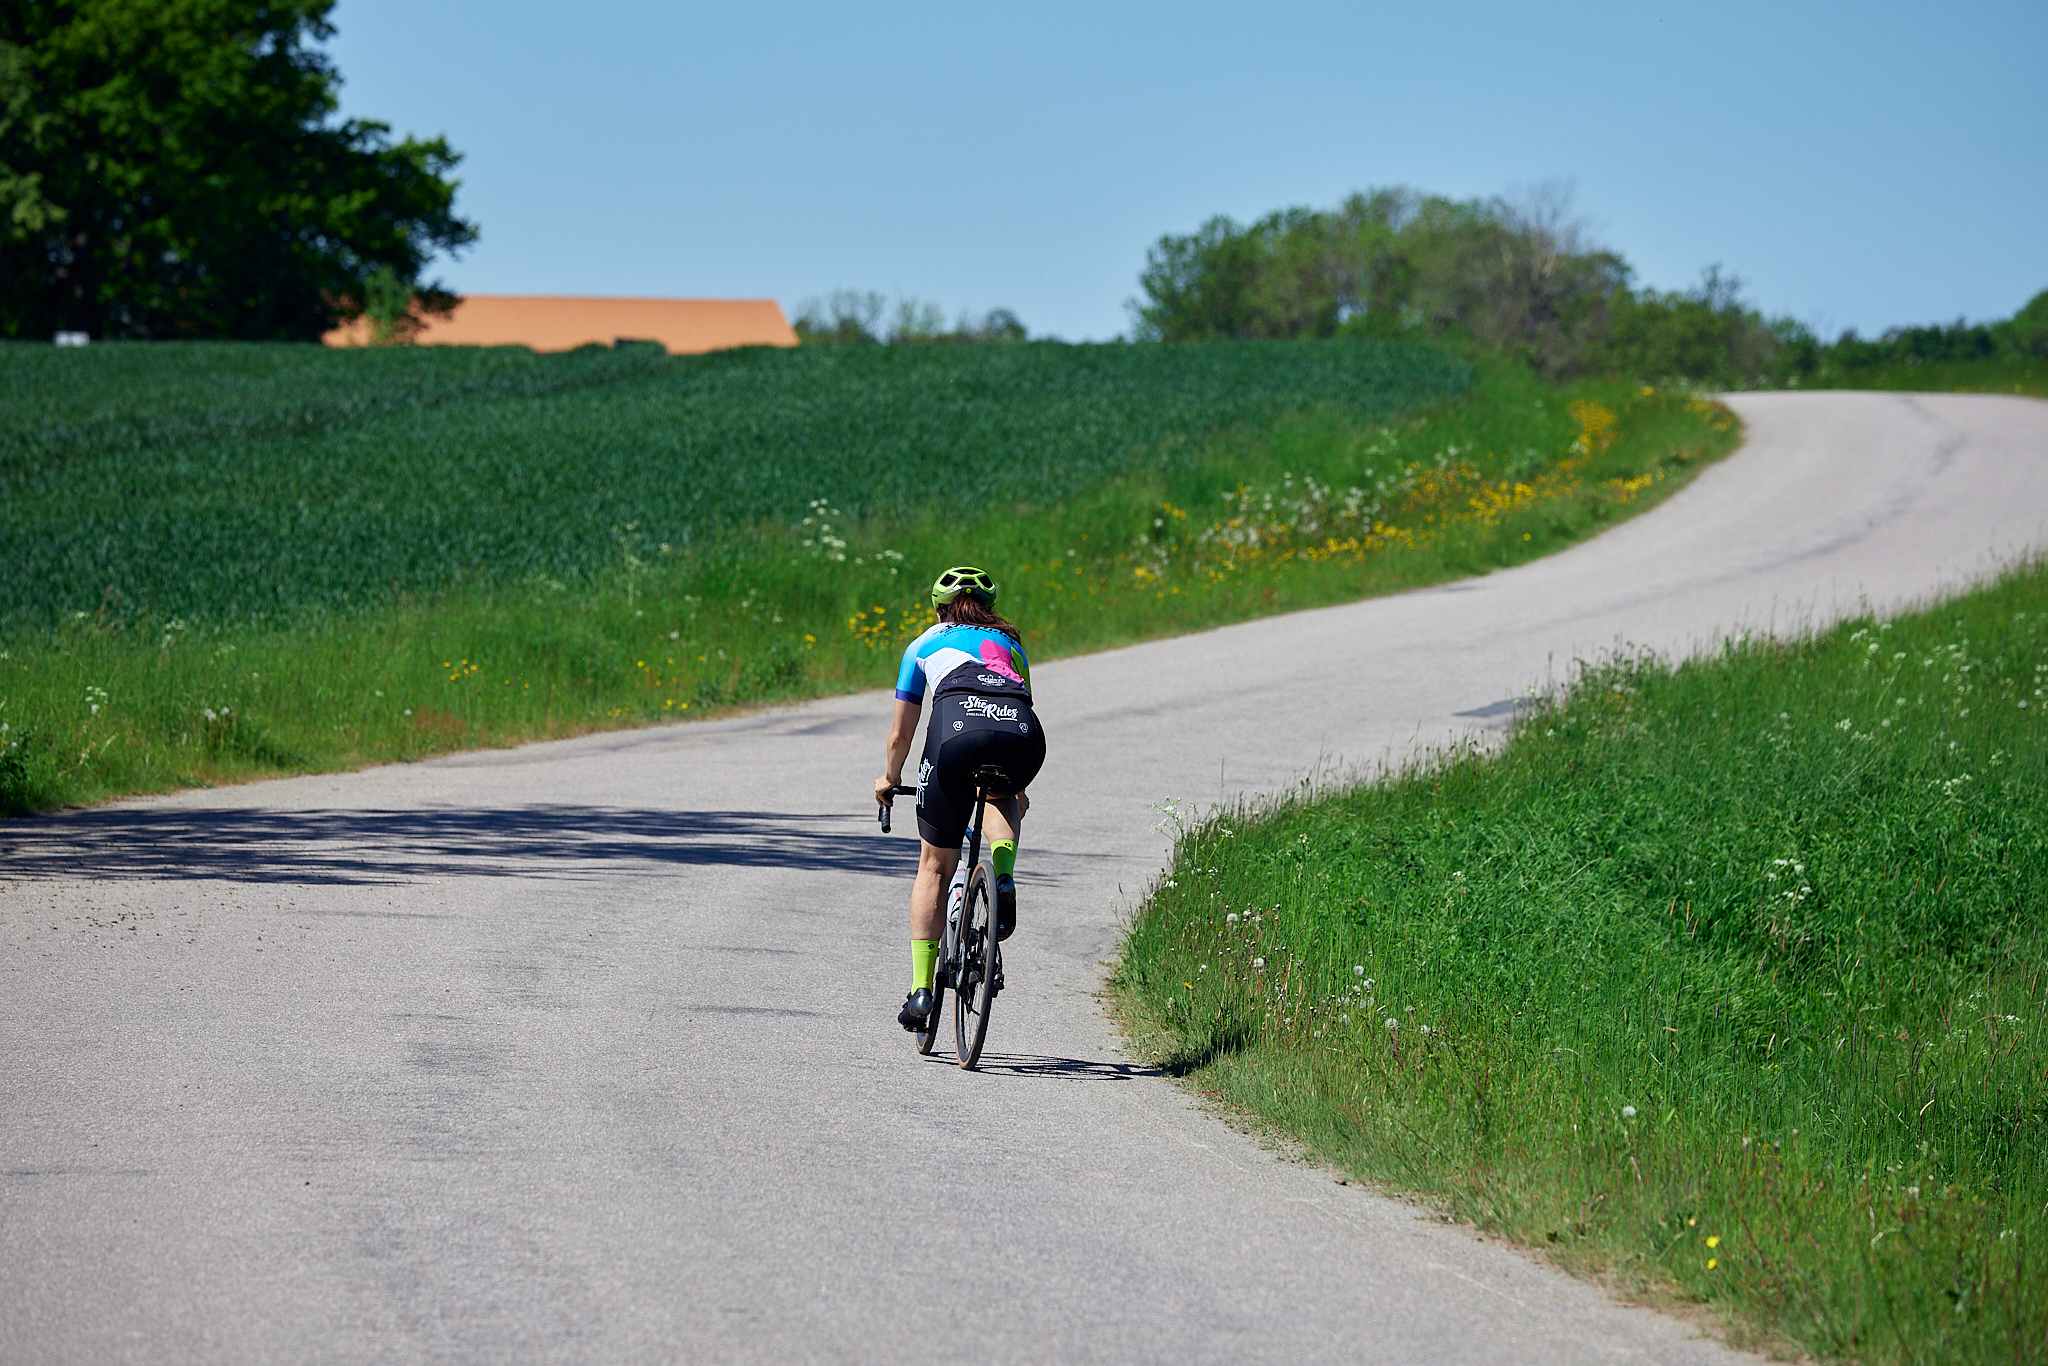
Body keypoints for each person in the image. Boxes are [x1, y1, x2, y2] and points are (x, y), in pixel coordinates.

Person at [875, 566, 1046, 1030]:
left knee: (933, 865)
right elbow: (1016, 708)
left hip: (956, 733)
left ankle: (921, 992)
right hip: (1023, 737)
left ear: (938, 609)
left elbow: (899, 734)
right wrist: (1020, 788)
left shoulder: (924, 644)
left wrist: (889, 779)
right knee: (1002, 791)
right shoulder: (1013, 646)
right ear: (988, 608)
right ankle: (1004, 874)